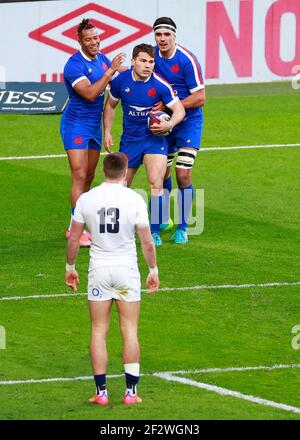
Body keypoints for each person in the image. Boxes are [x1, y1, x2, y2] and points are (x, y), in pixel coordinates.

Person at [65, 152, 159, 405]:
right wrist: (153, 271)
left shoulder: (87, 199)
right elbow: (147, 242)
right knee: (129, 330)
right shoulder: (135, 199)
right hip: (126, 270)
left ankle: (101, 393)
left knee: (98, 331)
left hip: (99, 270)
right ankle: (130, 393)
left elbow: (74, 238)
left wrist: (70, 267)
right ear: (125, 169)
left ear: (105, 170)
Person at [103, 43, 185, 247]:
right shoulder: (121, 81)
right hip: (130, 141)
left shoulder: (160, 85)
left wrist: (170, 124)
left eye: (151, 62)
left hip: (154, 140)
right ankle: (116, 230)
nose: (147, 65)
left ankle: (155, 231)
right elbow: (111, 106)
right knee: (120, 187)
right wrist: (107, 131)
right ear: (133, 62)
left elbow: (180, 110)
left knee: (155, 183)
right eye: (143, 61)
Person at [61, 18, 126, 247]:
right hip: (75, 125)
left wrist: (142, 69)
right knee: (78, 175)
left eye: (96, 38)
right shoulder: (73, 65)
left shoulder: (102, 59)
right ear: (80, 40)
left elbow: (122, 76)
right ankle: (76, 231)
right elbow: (90, 93)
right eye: (88, 39)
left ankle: (74, 225)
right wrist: (110, 70)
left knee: (88, 176)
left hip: (94, 126)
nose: (94, 42)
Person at [152, 17, 206, 244]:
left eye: (167, 35)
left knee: (183, 173)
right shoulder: (151, 56)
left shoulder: (186, 60)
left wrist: (170, 106)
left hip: (188, 123)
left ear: (174, 36)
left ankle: (182, 227)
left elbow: (200, 97)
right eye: (158, 35)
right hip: (165, 123)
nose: (162, 39)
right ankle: (161, 221)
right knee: (159, 174)